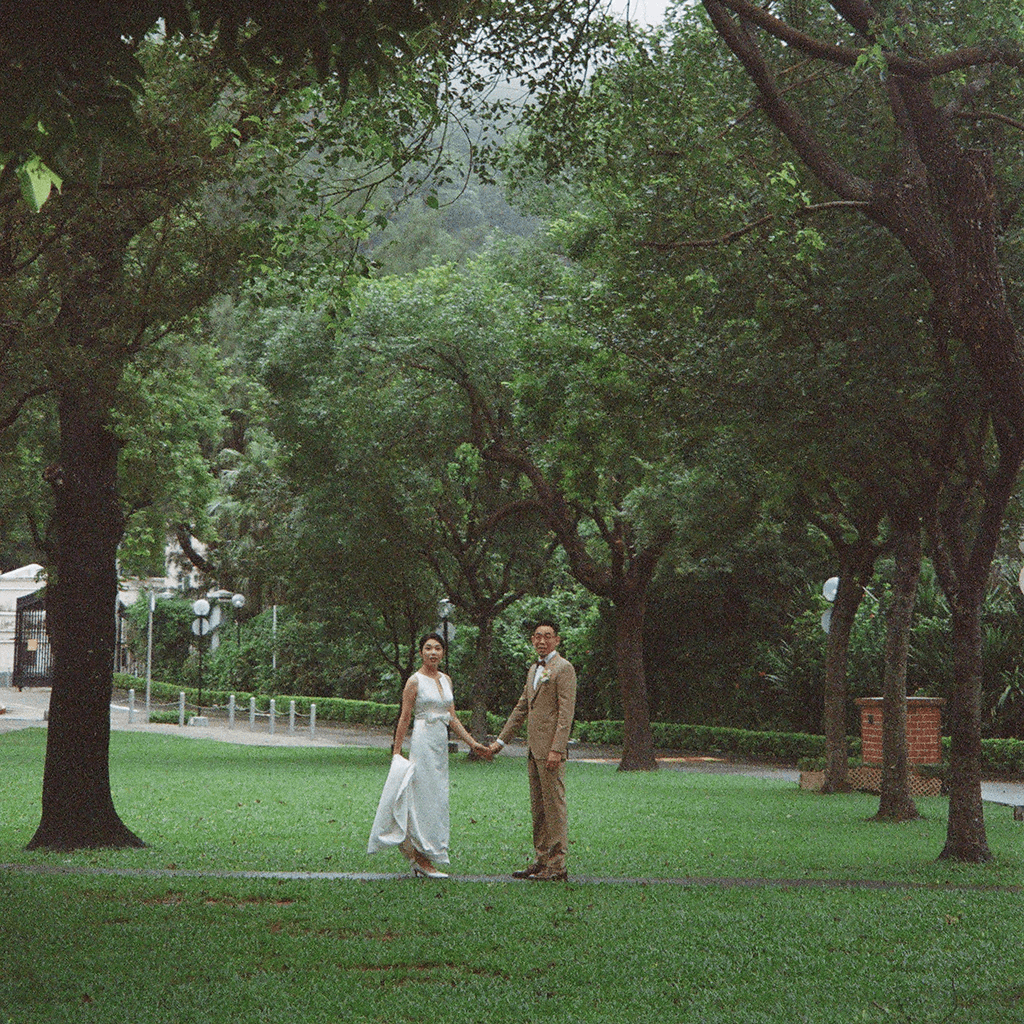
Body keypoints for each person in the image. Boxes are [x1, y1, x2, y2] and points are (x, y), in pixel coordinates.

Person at [368, 633, 491, 877]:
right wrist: (396, 751)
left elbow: (452, 717)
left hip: (440, 743)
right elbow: (405, 717)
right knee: (420, 797)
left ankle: (430, 852)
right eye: (428, 648)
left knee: (437, 798)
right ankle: (419, 857)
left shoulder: (446, 679)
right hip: (423, 740)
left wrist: (473, 743)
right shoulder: (414, 681)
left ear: (443, 652)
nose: (433, 653)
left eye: (437, 648)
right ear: (421, 652)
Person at [488, 619, 577, 881]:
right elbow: (521, 709)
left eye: (547, 636)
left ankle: (557, 865)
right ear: (532, 639)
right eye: (537, 636)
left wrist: (557, 749)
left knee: (554, 807)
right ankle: (541, 859)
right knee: (538, 808)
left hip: (550, 751)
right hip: (532, 750)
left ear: (557, 640)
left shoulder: (564, 668)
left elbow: (565, 714)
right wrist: (499, 743)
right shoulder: (533, 670)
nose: (541, 641)